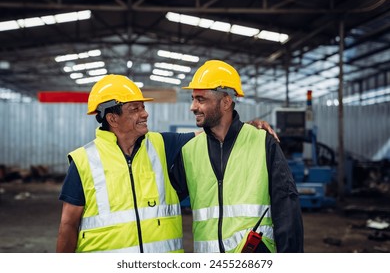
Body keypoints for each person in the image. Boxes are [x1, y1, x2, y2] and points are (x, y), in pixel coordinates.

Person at [56, 74, 278, 253]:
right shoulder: (84, 160)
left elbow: (214, 131)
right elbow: (68, 225)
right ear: (112, 118)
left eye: (143, 107)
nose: (145, 113)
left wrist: (249, 126)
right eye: (135, 109)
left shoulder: (162, 144)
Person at [170, 60, 304, 253]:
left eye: (201, 99)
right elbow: (164, 203)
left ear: (225, 102)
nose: (193, 106)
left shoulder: (262, 143)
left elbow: (287, 209)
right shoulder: (189, 151)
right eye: (193, 98)